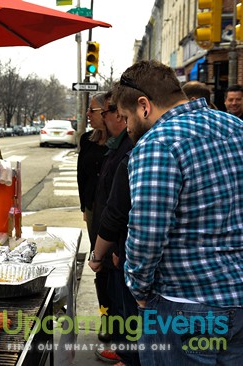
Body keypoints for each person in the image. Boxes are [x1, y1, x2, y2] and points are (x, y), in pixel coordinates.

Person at [113, 60, 243, 365]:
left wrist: (138, 288)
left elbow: (147, 232)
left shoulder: (157, 144)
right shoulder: (236, 128)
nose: (127, 127)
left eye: (125, 117)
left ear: (143, 106)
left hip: (186, 305)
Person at [88, 91, 134, 351]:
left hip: (118, 246)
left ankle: (124, 352)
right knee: (112, 298)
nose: (103, 118)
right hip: (111, 241)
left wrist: (113, 248)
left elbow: (120, 208)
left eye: (104, 112)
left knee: (122, 307)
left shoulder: (128, 149)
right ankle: (119, 346)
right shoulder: (116, 146)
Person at [88, 151, 140, 366]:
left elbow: (118, 212)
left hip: (136, 261)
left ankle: (129, 358)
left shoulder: (139, 155)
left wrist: (98, 255)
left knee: (130, 311)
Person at [77, 92, 108, 243]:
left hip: (110, 208)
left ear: (105, 111)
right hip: (91, 205)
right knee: (94, 247)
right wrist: (84, 207)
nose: (87, 114)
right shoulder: (87, 140)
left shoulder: (122, 142)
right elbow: (81, 176)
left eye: (92, 110)